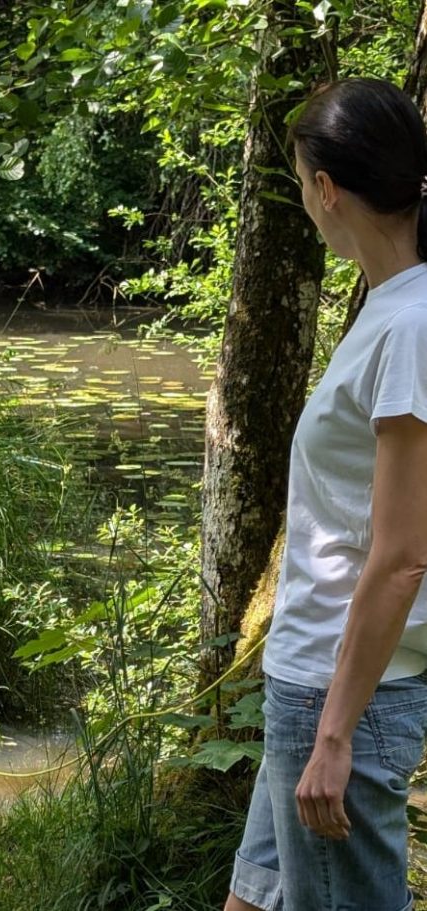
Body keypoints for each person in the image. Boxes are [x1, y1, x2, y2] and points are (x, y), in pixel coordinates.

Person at [225, 77, 427, 911]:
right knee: (253, 897)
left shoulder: (411, 327)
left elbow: (403, 554)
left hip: (341, 696)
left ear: (324, 188)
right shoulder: (387, 310)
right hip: (309, 679)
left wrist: (336, 735)